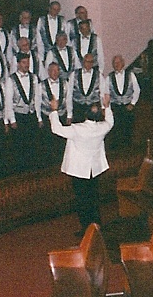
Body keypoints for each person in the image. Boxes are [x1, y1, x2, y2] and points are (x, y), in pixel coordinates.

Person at [48, 97, 113, 232]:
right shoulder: (102, 127)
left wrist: (54, 110)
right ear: (98, 115)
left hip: (79, 170)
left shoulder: (77, 129)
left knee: (82, 201)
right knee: (93, 198)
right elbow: (110, 122)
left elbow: (56, 129)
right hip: (94, 169)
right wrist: (107, 107)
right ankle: (97, 226)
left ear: (85, 114)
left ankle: (87, 230)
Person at [106, 55, 141, 148]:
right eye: (115, 63)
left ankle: (128, 148)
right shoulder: (109, 77)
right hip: (115, 107)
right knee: (116, 129)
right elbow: (106, 93)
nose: (117, 64)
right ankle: (117, 149)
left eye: (118, 62)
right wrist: (108, 108)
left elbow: (137, 90)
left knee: (128, 128)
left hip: (128, 106)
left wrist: (133, 103)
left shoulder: (131, 75)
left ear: (123, 63)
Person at [67, 51, 106, 123]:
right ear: (83, 61)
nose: (89, 64)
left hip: (93, 108)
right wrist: (69, 114)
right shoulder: (74, 74)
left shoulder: (99, 75)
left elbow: (103, 93)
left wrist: (103, 108)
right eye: (87, 61)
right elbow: (69, 94)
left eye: (91, 62)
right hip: (78, 107)